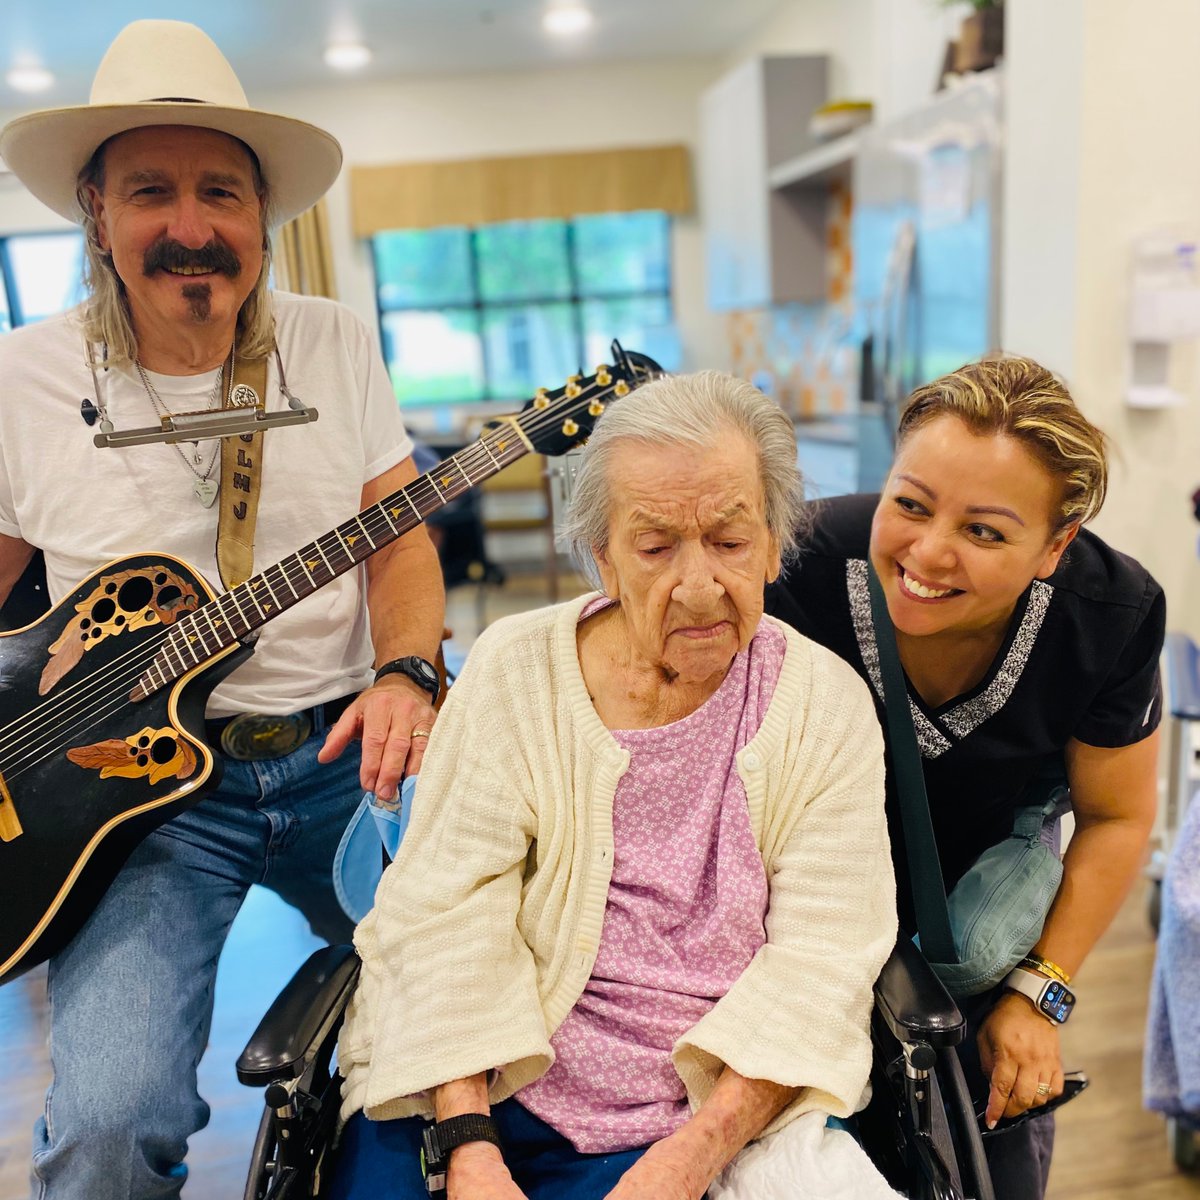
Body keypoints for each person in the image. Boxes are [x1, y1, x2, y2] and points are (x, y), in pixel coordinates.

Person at [0, 20, 445, 1199]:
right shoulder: (21, 378)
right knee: (106, 1129)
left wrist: (408, 673)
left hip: (345, 760)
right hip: (135, 804)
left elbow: (397, 544)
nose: (191, 226)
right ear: (96, 212)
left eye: (221, 193)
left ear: (263, 216)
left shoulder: (335, 343)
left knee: (493, 1019)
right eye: (151, 190)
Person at [330, 371, 899, 1200]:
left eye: (730, 542)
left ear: (775, 544)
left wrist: (691, 1158)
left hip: (721, 1102)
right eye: (656, 547)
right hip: (487, 1078)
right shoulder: (516, 670)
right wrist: (469, 1144)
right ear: (602, 557)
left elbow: (824, 958)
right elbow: (445, 909)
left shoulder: (825, 705)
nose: (699, 587)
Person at [766, 355, 1165, 1200]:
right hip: (792, 928)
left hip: (975, 939)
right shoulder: (797, 563)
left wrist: (1040, 992)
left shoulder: (1109, 616)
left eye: (984, 532)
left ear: (1055, 546)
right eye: (910, 504)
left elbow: (1117, 817)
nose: (929, 553)